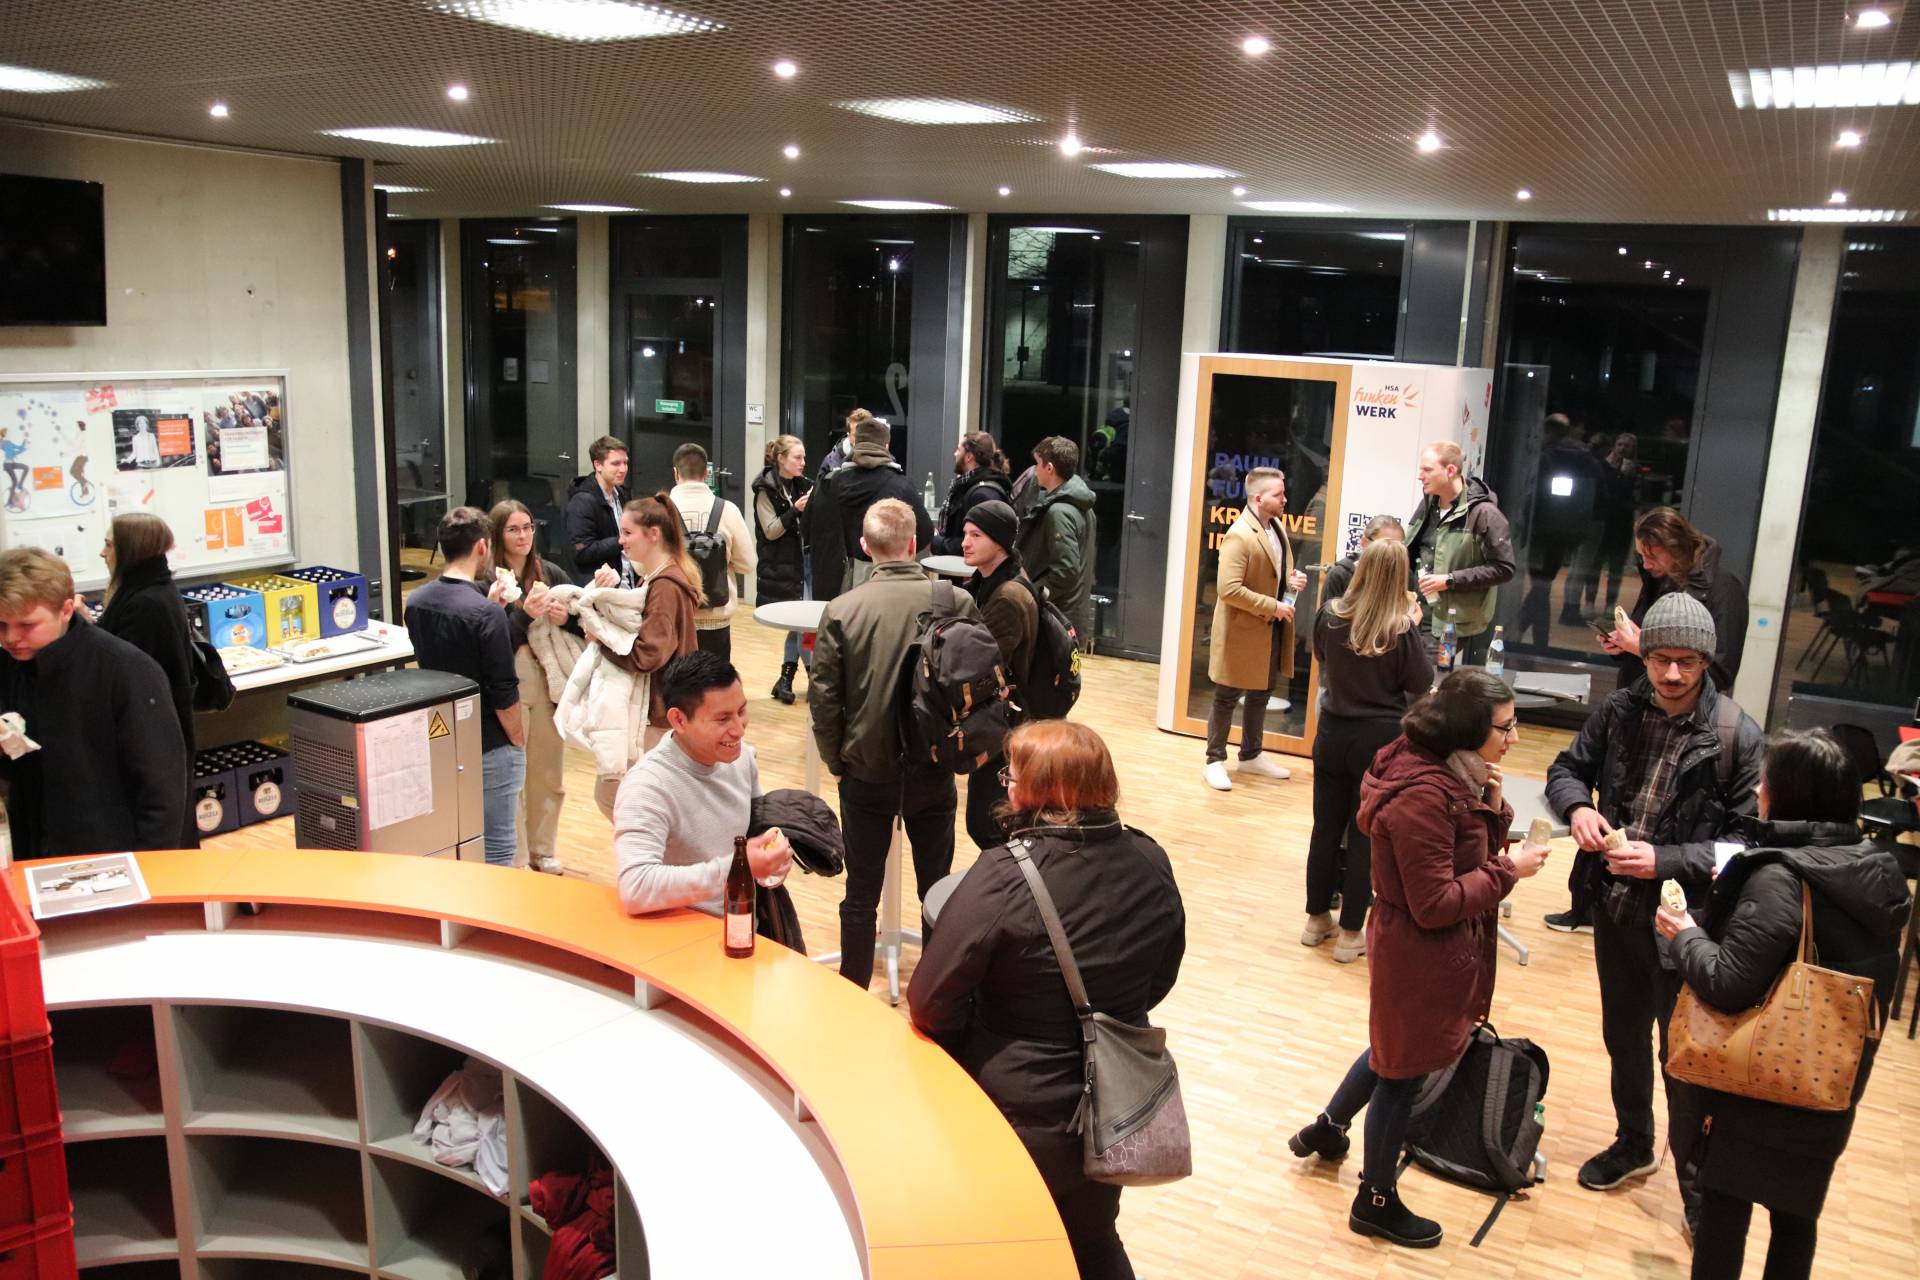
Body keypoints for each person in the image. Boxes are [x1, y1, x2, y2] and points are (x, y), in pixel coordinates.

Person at [907, 720, 1184, 1280]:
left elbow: (930, 999)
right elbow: (1163, 972)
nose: (1005, 783)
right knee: (1093, 1237)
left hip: (1017, 1108)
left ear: (1045, 791)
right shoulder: (1152, 859)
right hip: (1116, 1104)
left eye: (1014, 774)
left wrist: (982, 1040)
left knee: (1007, 1246)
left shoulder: (1004, 875)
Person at [1287, 669, 1548, 1248]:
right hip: (1421, 948)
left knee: (1391, 1049)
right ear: (1468, 728)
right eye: (1506, 726)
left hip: (1417, 944)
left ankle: (1327, 1129)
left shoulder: (1447, 770)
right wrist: (1512, 870)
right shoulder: (1424, 794)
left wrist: (1494, 804)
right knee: (1402, 1073)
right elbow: (1436, 903)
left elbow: (1464, 851)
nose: (1515, 737)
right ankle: (1374, 1199)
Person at [1655, 730, 1909, 1280]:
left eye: (1766, 779)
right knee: (1797, 1219)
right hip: (1829, 1082)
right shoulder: (1875, 868)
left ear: (1786, 794)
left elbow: (1727, 984)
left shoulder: (1780, 877)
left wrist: (1684, 935)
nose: (1758, 788)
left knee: (1724, 1211)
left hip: (1759, 1082)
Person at [1543, 592, 1764, 1213]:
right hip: (1614, 908)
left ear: (1706, 663)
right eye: (1661, 658)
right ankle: (1634, 1141)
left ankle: (1697, 1181)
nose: (1671, 673)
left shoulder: (1737, 736)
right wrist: (1578, 807)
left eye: (1687, 662)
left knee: (1684, 1053)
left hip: (1687, 926)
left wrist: (1663, 860)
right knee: (1624, 1036)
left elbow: (1746, 846)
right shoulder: (1618, 711)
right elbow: (1566, 768)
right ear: (1644, 656)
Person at [810, 498, 977, 990]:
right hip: (933, 767)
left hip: (866, 769)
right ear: (914, 544)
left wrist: (835, 760)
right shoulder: (956, 602)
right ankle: (935, 991)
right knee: (936, 886)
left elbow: (824, 699)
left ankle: (853, 996)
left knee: (860, 893)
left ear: (864, 547)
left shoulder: (841, 610)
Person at [0, 548, 188, 857]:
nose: (10, 638)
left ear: (66, 609)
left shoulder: (125, 669)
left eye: (26, 625)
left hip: (109, 856)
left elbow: (162, 790)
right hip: (31, 849)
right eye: (1, 625)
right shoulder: (10, 666)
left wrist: (152, 871)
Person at [1304, 538, 1433, 962]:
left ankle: (1315, 919)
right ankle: (1350, 934)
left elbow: (1321, 657)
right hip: (1378, 741)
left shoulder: (1330, 615)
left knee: (1325, 829)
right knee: (1364, 837)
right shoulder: (1400, 628)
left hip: (1332, 733)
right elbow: (1420, 682)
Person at [614, 651, 793, 914]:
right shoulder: (646, 788)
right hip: (679, 936)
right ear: (679, 720)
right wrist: (737, 868)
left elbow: (756, 833)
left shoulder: (742, 757)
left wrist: (770, 861)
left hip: (742, 924)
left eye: (742, 711)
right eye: (722, 719)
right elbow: (636, 887)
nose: (739, 729)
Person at [567, 494, 704, 818]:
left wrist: (601, 641)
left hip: (657, 714)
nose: (620, 540)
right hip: (662, 711)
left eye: (627, 533)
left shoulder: (665, 585)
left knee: (622, 800)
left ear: (653, 534)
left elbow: (649, 652)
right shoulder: (661, 578)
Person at [405, 506, 523, 867]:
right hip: (489, 742)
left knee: (451, 841)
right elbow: (503, 689)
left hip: (441, 741)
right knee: (499, 847)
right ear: (483, 547)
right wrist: (518, 740)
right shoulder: (485, 614)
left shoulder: (417, 602)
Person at [94, 514, 198, 848]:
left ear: (129, 549)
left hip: (151, 730)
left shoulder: (145, 603)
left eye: (109, 544)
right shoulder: (148, 591)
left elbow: (126, 669)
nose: (102, 552)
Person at [1203, 466, 1307, 793]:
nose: (1285, 499)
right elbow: (1228, 589)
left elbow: (1274, 575)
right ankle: (1214, 760)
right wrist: (1272, 606)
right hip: (1243, 629)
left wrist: (1292, 583)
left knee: (1262, 691)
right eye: (1278, 494)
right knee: (1227, 695)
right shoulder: (1239, 534)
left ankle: (1250, 754)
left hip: (1269, 627)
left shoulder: (1275, 526)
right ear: (1259, 498)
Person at [488, 499, 575, 874]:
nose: (523, 536)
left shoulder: (550, 571)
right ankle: (518, 856)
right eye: (513, 529)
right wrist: (526, 614)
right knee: (517, 775)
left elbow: (582, 614)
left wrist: (565, 616)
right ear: (497, 534)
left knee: (548, 771)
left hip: (549, 678)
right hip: (513, 678)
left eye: (528, 527)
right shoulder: (486, 581)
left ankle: (544, 849)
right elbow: (493, 638)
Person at [1600, 506, 1748, 694]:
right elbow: (1644, 640)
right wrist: (1623, 645)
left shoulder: (1724, 588)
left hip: (1681, 711)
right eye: (1641, 556)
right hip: (1634, 699)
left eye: (1652, 556)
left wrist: (1643, 649)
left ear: (1676, 547)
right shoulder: (1658, 579)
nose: (1645, 564)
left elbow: (1721, 672)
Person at [958, 499, 1036, 850]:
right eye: (965, 533)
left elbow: (987, 668)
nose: (965, 542)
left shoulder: (1005, 596)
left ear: (1001, 543)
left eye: (976, 534)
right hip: (1003, 720)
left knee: (988, 824)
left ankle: (1010, 893)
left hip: (1006, 725)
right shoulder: (991, 582)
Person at [1403, 440, 1516, 666]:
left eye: (1427, 470)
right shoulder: (1428, 504)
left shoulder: (1485, 514)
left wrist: (1450, 580)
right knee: (1401, 677)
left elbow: (1504, 569)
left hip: (1450, 623)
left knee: (1423, 681)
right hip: (1414, 612)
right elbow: (1411, 552)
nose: (1420, 476)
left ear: (1450, 470)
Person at [813, 415, 932, 595]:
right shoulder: (901, 485)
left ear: (855, 443)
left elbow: (809, 528)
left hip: (834, 584)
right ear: (886, 446)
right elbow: (924, 533)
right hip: (886, 583)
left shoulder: (829, 483)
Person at [666, 442, 755, 662]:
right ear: (706, 473)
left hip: (673, 617)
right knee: (714, 688)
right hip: (716, 620)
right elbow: (748, 564)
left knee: (674, 689)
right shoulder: (728, 509)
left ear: (675, 472)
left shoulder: (660, 509)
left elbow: (642, 565)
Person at [1017, 436, 1098, 645]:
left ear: (1050, 468)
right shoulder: (1083, 506)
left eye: (1038, 464)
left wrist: (1033, 594)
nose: (1035, 471)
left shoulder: (1059, 512)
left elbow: (1066, 572)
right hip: (1071, 612)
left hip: (1058, 614)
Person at [751, 434, 813, 705]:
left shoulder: (804, 485)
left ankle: (785, 679)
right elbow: (772, 530)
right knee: (805, 627)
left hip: (806, 564)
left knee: (802, 625)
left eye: (804, 457)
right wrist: (796, 511)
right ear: (781, 459)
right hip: (783, 565)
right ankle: (815, 678)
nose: (803, 462)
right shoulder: (764, 489)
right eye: (797, 457)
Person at [1579, 432, 1639, 614]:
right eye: (1620, 444)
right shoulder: (1602, 466)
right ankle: (1589, 601)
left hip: (1622, 524)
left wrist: (1627, 475)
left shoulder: (1635, 471)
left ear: (1633, 450)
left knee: (1616, 567)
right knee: (1595, 564)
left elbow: (1634, 497)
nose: (1622, 448)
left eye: (1627, 446)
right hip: (1603, 521)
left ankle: (1610, 604)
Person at [931, 431, 1012, 555]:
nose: (955, 454)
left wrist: (938, 543)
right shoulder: (967, 488)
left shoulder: (982, 494)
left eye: (958, 450)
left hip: (968, 571)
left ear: (969, 456)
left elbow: (980, 545)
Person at [564, 434, 631, 583]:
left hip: (625, 580)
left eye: (625, 463)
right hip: (600, 588)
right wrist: (621, 541)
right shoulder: (582, 501)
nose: (623, 469)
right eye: (616, 463)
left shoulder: (621, 494)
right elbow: (581, 551)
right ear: (598, 465)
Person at [1322, 515, 1405, 602]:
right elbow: (1327, 614)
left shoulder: (1404, 576)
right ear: (1364, 542)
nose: (1391, 555)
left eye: (1398, 549)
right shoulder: (1340, 575)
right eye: (1383, 547)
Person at [819, 406, 868, 482]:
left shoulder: (885, 460)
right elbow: (820, 492)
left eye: (865, 434)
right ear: (848, 436)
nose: (861, 439)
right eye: (856, 435)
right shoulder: (831, 461)